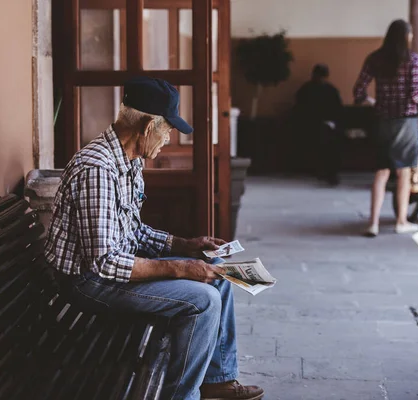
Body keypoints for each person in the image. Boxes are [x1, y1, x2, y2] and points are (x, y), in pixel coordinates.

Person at [44, 77, 264, 400]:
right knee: (203, 301)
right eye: (167, 130)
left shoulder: (129, 161)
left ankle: (217, 379)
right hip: (87, 282)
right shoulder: (98, 169)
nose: (168, 138)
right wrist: (181, 268)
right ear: (148, 128)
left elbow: (131, 230)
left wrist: (185, 245)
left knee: (218, 274)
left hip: (111, 268)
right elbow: (104, 261)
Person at [353, 19, 418, 237]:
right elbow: (416, 96)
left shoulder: (374, 59)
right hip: (405, 121)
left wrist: (374, 102)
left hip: (382, 120)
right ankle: (401, 220)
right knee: (403, 173)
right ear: (406, 37)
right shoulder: (412, 60)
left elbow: (358, 90)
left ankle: (373, 223)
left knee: (381, 172)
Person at [294, 64, 344, 185]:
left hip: (327, 124)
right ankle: (328, 172)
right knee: (325, 138)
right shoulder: (306, 89)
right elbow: (301, 110)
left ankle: (330, 172)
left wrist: (332, 122)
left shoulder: (330, 90)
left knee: (331, 139)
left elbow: (338, 109)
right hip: (311, 124)